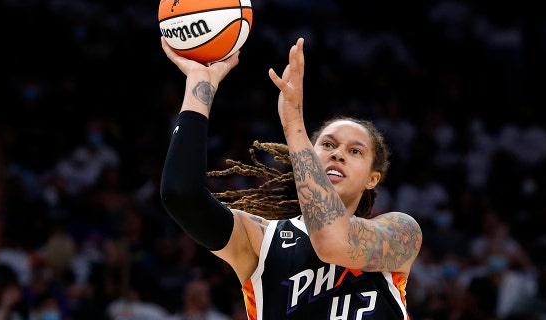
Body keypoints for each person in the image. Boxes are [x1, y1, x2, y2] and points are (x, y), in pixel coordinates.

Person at [159, 36, 423, 319]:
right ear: (308, 156)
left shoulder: (399, 232)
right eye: (328, 145)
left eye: (355, 151)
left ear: (373, 179)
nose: (338, 154)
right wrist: (201, 84)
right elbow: (181, 195)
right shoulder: (261, 240)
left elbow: (332, 242)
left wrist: (294, 123)